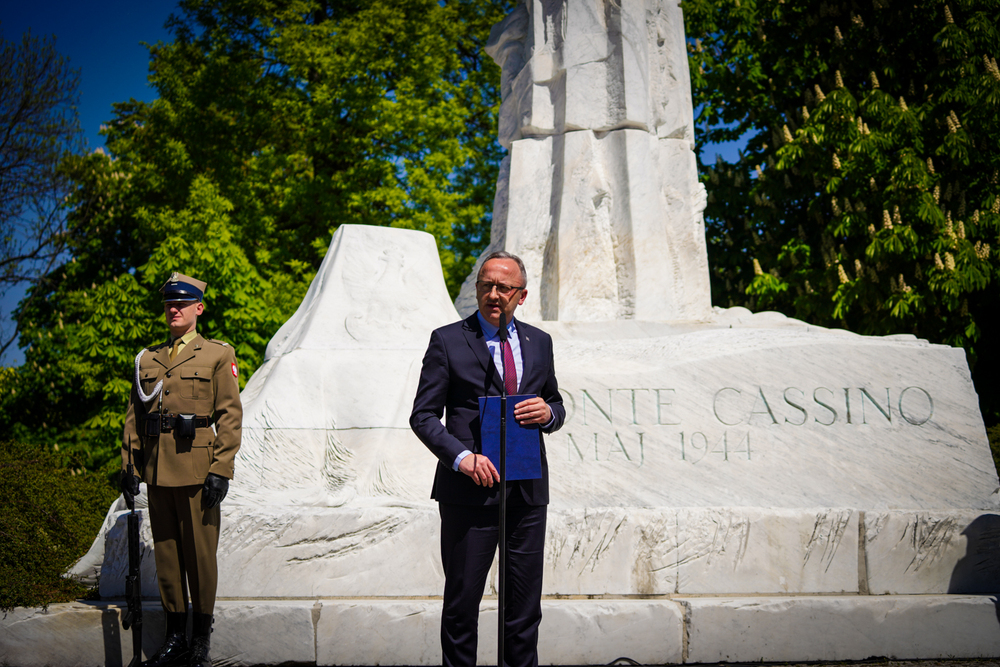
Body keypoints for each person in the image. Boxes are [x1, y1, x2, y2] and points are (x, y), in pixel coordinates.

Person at [410, 251, 565, 667]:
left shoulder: (539, 342)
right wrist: (461, 458)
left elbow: (555, 403)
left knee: (524, 608)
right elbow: (423, 416)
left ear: (522, 294)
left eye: (503, 288)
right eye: (486, 286)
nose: (493, 294)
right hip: (468, 492)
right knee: (462, 606)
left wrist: (548, 413)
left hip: (528, 492)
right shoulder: (447, 339)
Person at [120, 272, 243, 667]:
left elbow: (230, 416)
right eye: (169, 304)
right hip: (158, 471)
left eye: (182, 304)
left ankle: (200, 639)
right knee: (168, 556)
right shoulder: (148, 358)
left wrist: (221, 468)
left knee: (200, 556)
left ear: (198, 309)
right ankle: (176, 638)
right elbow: (134, 418)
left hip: (198, 469)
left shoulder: (217, 354)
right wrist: (130, 466)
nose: (174, 309)